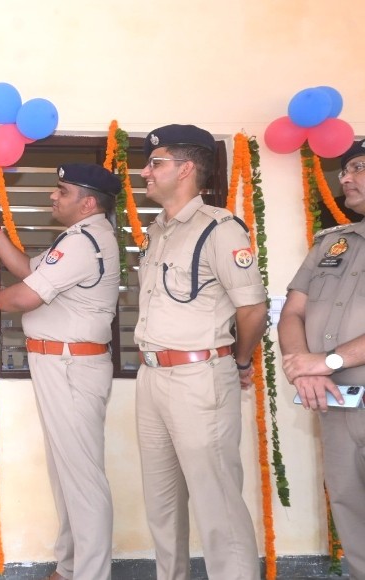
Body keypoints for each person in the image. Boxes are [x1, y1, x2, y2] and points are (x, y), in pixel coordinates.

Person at [0, 163, 121, 580]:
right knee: (66, 473)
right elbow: (30, 272)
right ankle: (71, 566)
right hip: (60, 364)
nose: (53, 196)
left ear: (88, 203)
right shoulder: (78, 237)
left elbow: (25, 296)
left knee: (82, 478)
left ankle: (90, 574)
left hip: (72, 366)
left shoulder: (85, 241)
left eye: (62, 190)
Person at [133, 124, 267, 580]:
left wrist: (240, 361)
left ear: (186, 168)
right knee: (162, 503)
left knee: (217, 504)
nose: (146, 172)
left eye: (156, 163)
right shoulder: (158, 230)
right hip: (152, 376)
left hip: (199, 379)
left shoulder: (219, 228)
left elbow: (253, 309)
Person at [277, 138, 365, 579]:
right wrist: (302, 367)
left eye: (358, 167)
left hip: (335, 377)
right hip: (337, 401)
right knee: (349, 504)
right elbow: (292, 312)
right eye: (344, 169)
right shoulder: (332, 243)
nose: (345, 178)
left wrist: (325, 361)